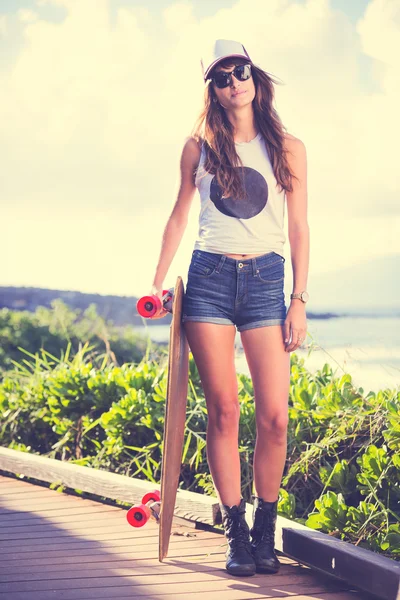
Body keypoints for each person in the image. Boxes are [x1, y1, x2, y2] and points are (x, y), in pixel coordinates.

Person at [150, 39, 309, 577]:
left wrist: (299, 300)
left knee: (276, 418)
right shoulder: (198, 147)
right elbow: (178, 216)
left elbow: (299, 227)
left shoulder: (287, 147)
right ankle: (236, 531)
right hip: (210, 279)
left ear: (255, 77)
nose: (234, 81)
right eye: (222, 77)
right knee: (223, 410)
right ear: (213, 91)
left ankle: (267, 525)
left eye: (240, 70)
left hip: (267, 279)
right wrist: (156, 285)